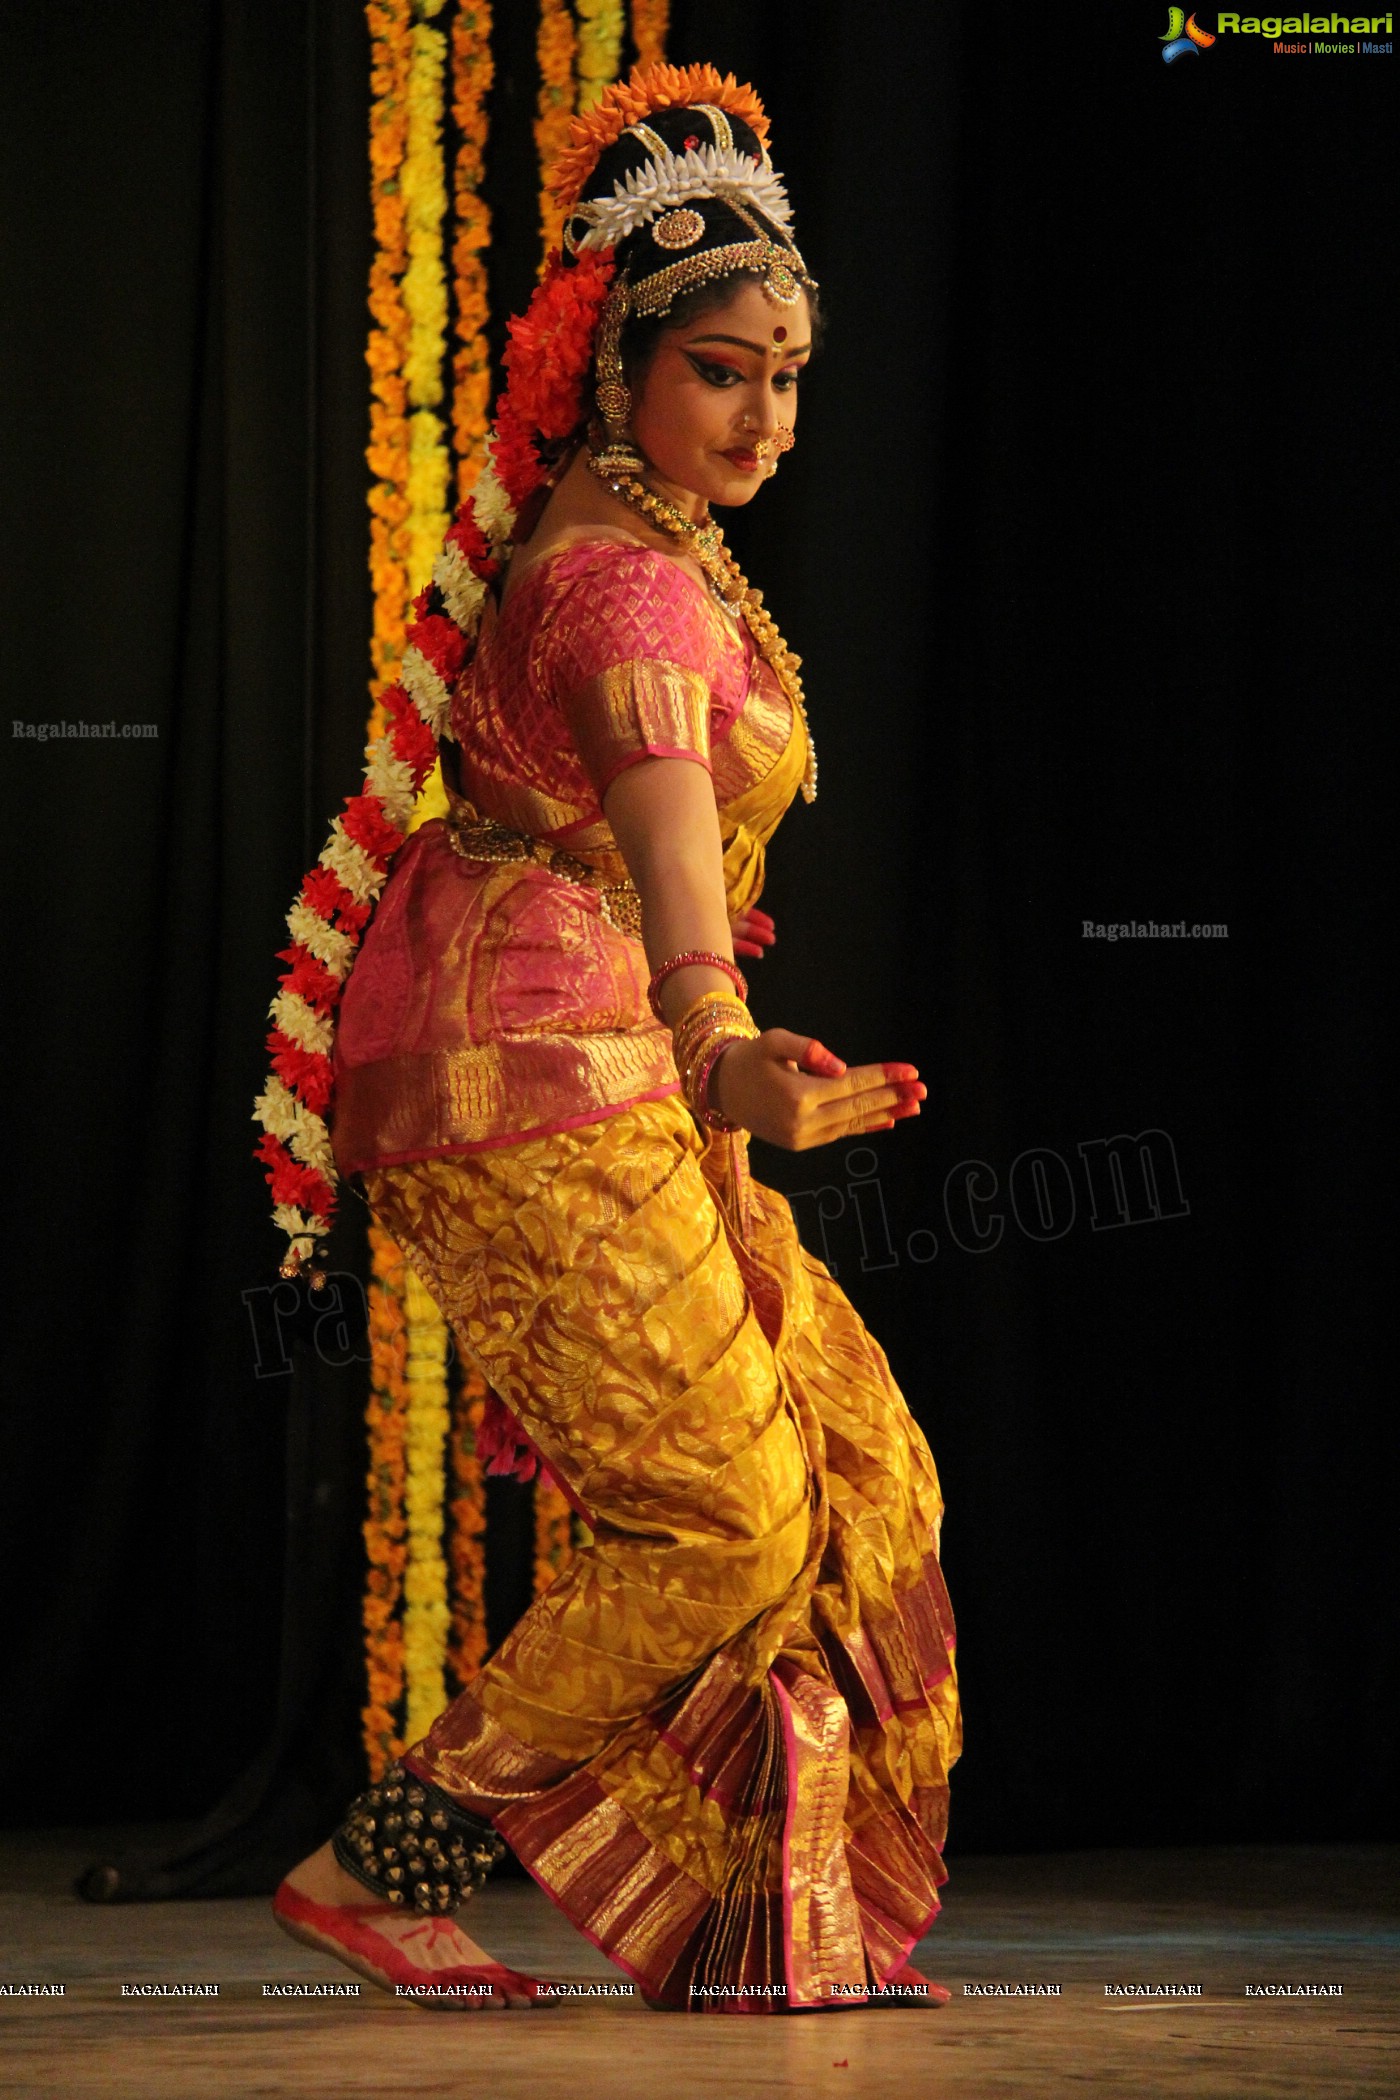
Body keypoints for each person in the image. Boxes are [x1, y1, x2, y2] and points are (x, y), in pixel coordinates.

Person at [257, 63, 960, 2014]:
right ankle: (378, 1859)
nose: (767, 417)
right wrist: (723, 1047)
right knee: (727, 1511)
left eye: (788, 377)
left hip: (597, 1047)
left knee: (844, 1462)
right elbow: (658, 829)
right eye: (725, 370)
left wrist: (713, 1050)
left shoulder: (645, 525)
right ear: (621, 361)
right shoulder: (628, 580)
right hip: (519, 1065)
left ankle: (755, 1919)